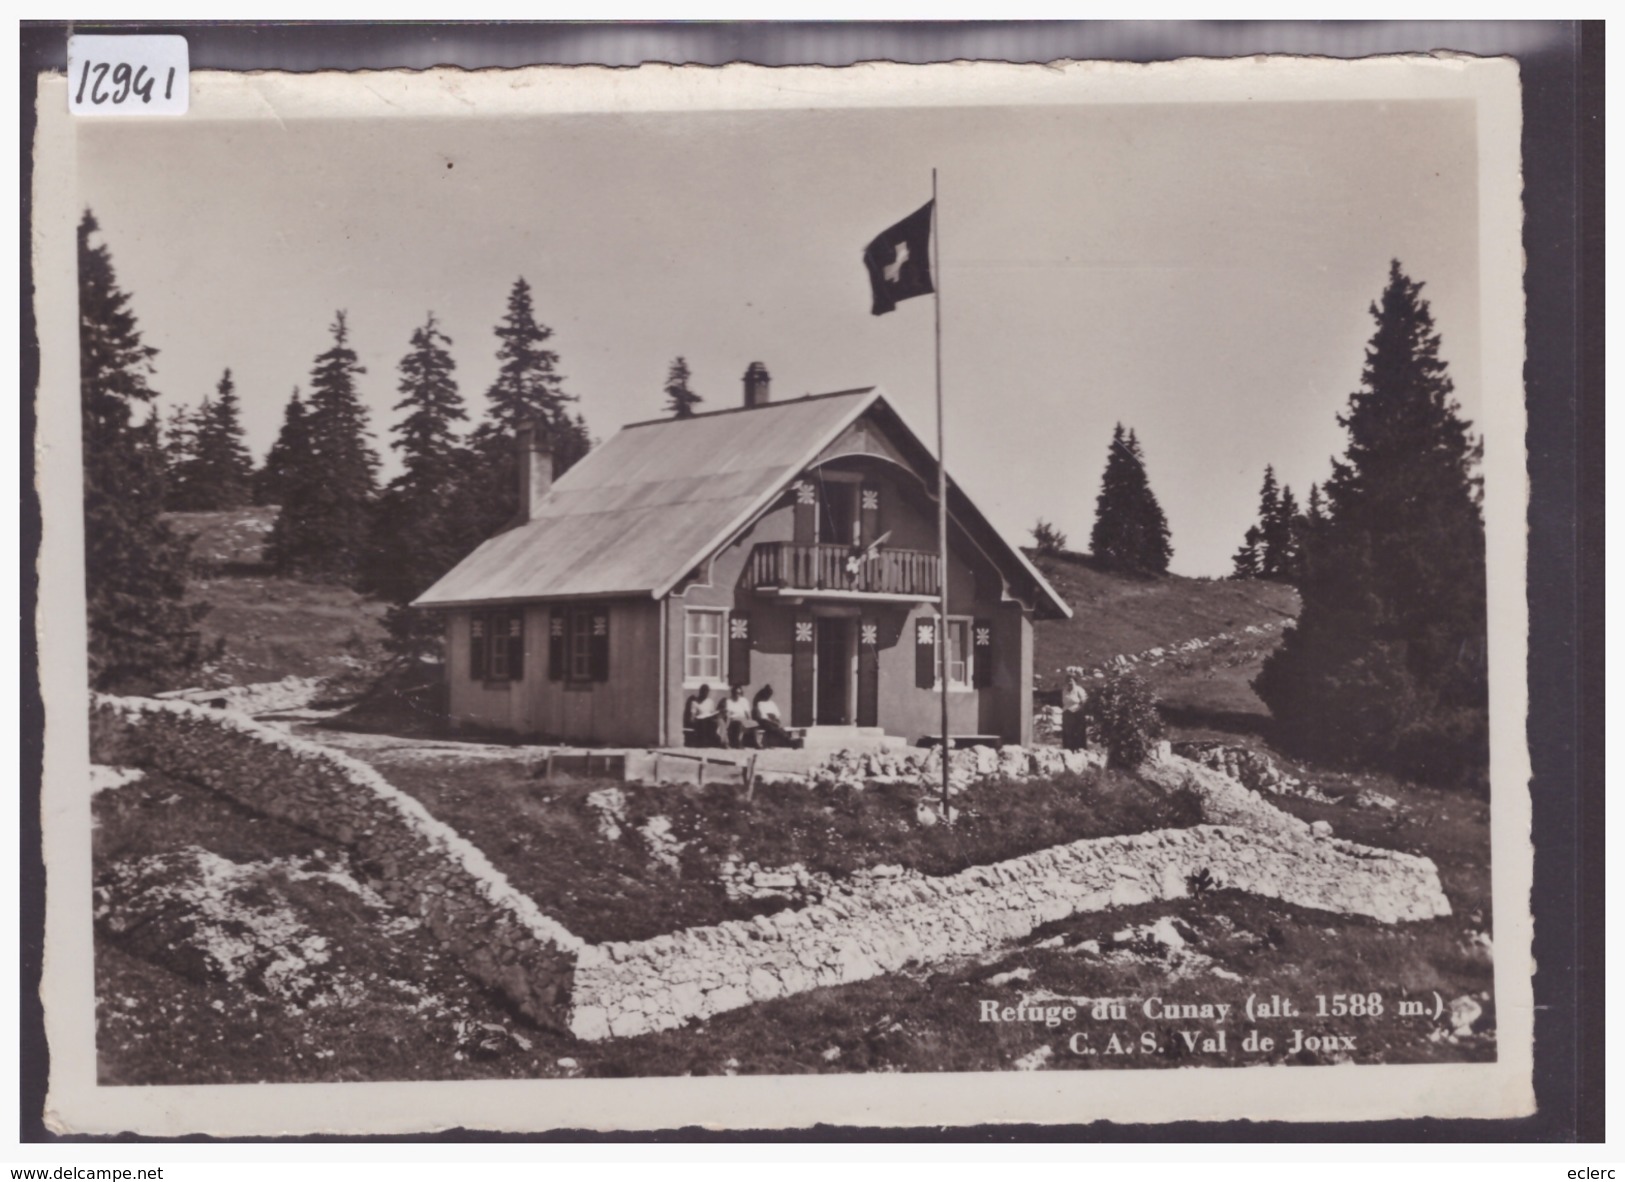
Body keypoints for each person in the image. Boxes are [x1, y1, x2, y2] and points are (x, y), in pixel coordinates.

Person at [1061, 670, 1089, 752]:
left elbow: (1084, 701)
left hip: (1077, 713)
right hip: (1067, 714)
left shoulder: (1079, 689)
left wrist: (1080, 710)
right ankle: (1068, 750)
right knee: (1068, 733)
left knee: (1078, 733)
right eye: (1068, 680)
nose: (1069, 682)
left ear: (1075, 681)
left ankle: (1079, 750)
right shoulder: (1064, 690)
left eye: (1071, 680)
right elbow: (1064, 702)